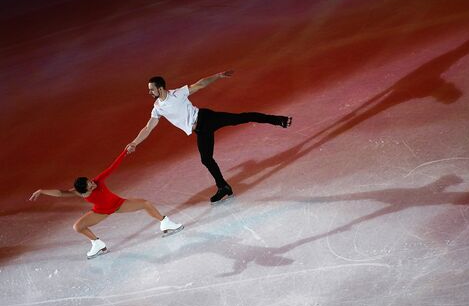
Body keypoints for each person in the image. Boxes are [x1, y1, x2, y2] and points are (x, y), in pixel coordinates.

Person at [125, 71, 292, 203]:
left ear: (160, 88)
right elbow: (148, 127)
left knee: (242, 117)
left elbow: (199, 84)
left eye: (151, 89)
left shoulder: (177, 94)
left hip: (206, 118)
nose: (149, 92)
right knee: (206, 159)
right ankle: (223, 187)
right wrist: (134, 143)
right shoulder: (157, 107)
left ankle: (279, 120)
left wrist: (217, 76)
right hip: (200, 131)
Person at [29, 150, 184, 259]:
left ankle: (165, 223)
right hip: (100, 212)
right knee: (77, 227)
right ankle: (97, 243)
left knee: (145, 203)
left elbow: (112, 167)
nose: (93, 184)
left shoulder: (98, 180)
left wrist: (125, 152)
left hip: (118, 204)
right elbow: (61, 193)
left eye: (91, 181)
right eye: (90, 185)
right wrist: (42, 191)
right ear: (83, 191)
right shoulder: (79, 192)